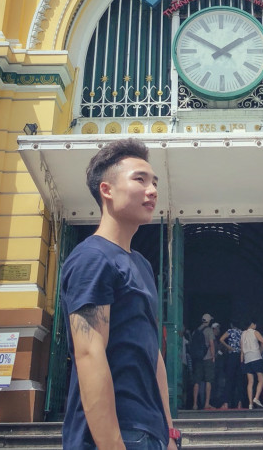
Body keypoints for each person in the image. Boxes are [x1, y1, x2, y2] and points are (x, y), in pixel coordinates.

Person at [60, 138, 180, 450]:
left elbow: (152, 353)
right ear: (107, 190)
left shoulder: (141, 264)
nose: (152, 190)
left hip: (150, 432)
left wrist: (169, 431)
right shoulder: (92, 259)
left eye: (155, 182)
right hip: (115, 435)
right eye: (140, 180)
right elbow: (89, 353)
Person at [241, 319, 263, 409]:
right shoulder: (255, 332)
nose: (256, 326)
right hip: (256, 357)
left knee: (250, 382)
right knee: (261, 379)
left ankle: (250, 404)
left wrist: (242, 361)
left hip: (247, 359)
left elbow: (242, 350)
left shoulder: (243, 334)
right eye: (255, 324)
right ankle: (256, 398)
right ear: (252, 324)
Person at [191, 313, 216, 410]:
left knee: (197, 381)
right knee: (208, 380)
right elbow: (211, 344)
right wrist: (213, 356)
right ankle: (207, 403)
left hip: (198, 359)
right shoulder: (209, 330)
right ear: (209, 321)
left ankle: (195, 404)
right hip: (207, 358)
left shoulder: (196, 331)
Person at [219, 320, 243, 410]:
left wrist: (228, 347)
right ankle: (239, 403)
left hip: (232, 355)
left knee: (229, 380)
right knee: (239, 380)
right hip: (239, 356)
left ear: (231, 325)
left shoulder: (230, 331)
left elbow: (221, 339)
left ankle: (226, 403)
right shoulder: (241, 332)